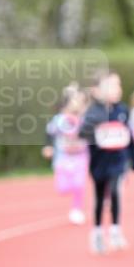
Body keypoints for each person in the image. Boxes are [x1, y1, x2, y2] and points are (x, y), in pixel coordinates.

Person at [80, 71, 131, 255]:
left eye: (118, 85)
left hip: (118, 160)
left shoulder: (122, 110)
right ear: (96, 91)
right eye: (110, 85)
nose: (116, 89)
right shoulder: (93, 113)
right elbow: (83, 133)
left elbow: (129, 135)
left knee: (116, 191)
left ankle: (116, 230)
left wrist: (133, 159)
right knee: (100, 197)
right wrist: (98, 132)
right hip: (99, 162)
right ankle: (97, 232)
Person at [43, 85, 90, 225]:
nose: (77, 105)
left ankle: (76, 209)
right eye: (73, 101)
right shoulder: (59, 119)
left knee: (79, 184)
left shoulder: (86, 119)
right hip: (63, 158)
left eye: (81, 102)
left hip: (81, 157)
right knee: (62, 188)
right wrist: (48, 146)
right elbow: (50, 132)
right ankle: (69, 192)